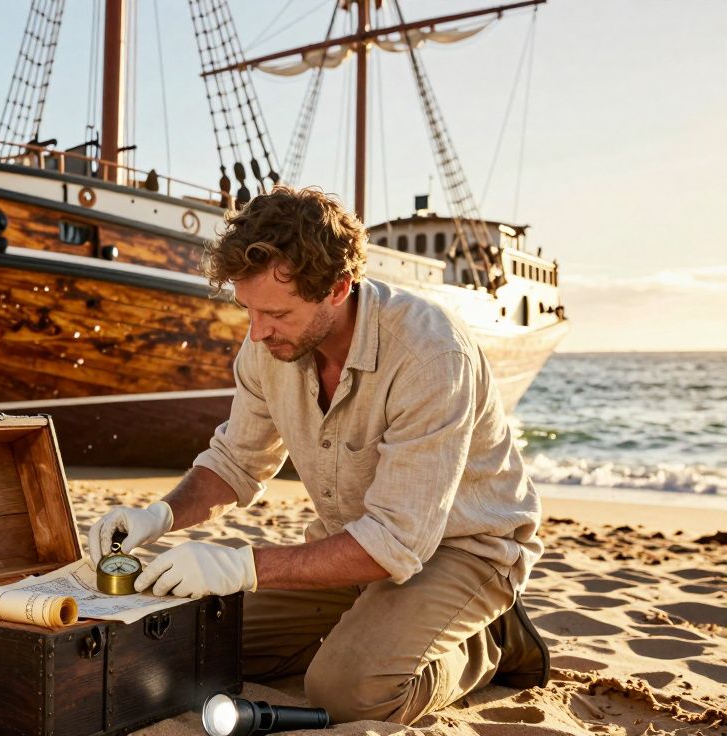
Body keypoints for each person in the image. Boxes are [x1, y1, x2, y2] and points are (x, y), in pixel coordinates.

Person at [87, 186, 549, 725]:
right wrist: (158, 516)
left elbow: (397, 542)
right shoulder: (269, 344)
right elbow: (236, 462)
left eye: (276, 313)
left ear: (338, 288)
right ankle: (373, 624)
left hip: (462, 552)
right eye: (248, 310)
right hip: (350, 549)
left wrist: (241, 566)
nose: (257, 332)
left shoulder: (430, 353)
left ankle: (486, 644)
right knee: (199, 645)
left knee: (348, 692)